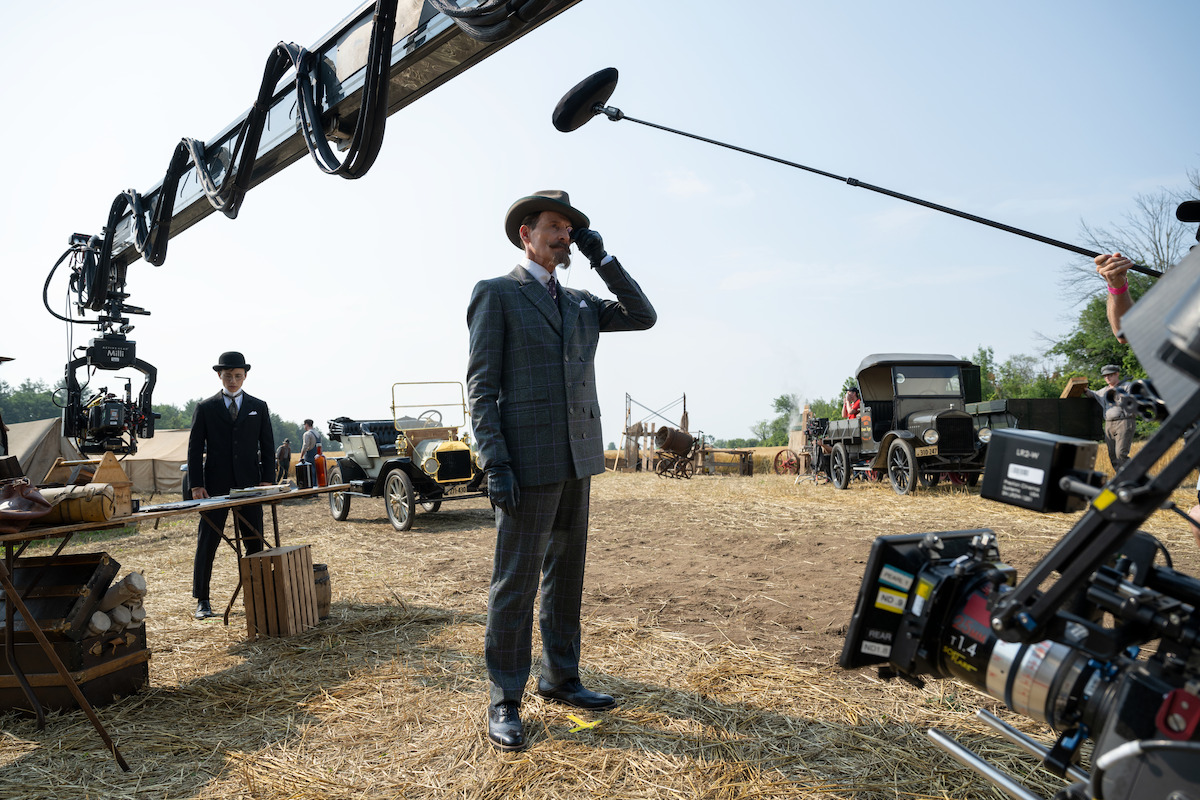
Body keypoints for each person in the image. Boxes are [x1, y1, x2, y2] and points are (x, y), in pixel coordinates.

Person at [466, 190, 656, 751]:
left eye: (571, 230)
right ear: (526, 233)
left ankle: (561, 678)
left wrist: (604, 258)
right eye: (555, 226)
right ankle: (504, 697)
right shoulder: (497, 294)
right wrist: (494, 462)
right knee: (515, 584)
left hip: (577, 458)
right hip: (525, 465)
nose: (564, 236)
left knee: (565, 578)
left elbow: (643, 316)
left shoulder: (579, 301)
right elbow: (482, 388)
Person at [187, 351, 276, 620]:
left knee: (254, 540)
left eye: (238, 376)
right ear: (220, 376)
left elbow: (268, 446)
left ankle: (256, 595)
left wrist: (268, 479)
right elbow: (194, 449)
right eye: (228, 376)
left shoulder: (258, 406)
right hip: (214, 485)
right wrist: (196, 484)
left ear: (245, 376)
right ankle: (202, 599)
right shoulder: (205, 407)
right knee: (208, 541)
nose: (233, 380)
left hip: (250, 485)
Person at [1086, 364, 1135, 471]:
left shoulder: (1127, 386)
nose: (1107, 378)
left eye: (1110, 375)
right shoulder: (1103, 391)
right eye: (1105, 376)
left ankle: (1134, 476)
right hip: (1109, 424)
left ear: (1117, 374)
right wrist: (1084, 389)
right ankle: (1121, 478)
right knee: (1112, 455)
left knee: (1121, 454)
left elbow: (1133, 401)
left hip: (1124, 421)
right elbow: (1092, 394)